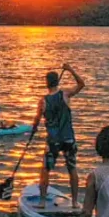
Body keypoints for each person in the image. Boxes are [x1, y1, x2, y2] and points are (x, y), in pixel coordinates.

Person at [32, 63, 85, 208]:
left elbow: (36, 121)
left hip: (53, 141)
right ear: (57, 82)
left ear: (46, 83)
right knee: (72, 168)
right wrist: (70, 69)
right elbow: (81, 84)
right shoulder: (66, 95)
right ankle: (74, 202)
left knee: (45, 169)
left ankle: (42, 202)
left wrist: (34, 129)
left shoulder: (43, 101)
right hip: (68, 138)